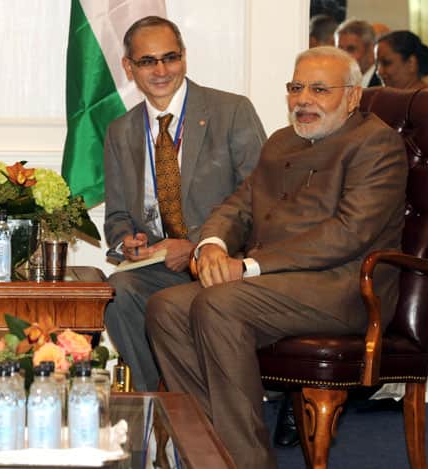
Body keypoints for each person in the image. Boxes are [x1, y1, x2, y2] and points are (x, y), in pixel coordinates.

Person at [145, 46, 408, 468]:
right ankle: (209, 454)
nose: (304, 100)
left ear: (353, 97)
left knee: (220, 304)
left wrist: (247, 266)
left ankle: (247, 462)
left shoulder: (376, 146)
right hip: (273, 284)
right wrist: (211, 245)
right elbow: (239, 206)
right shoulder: (283, 140)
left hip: (342, 288)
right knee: (167, 307)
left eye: (320, 89)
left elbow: (347, 234)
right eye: (296, 87)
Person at [102, 16, 265, 393]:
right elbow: (117, 217)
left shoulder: (231, 111)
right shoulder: (120, 131)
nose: (161, 71)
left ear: (184, 58)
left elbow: (260, 199)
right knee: (118, 291)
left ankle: (193, 409)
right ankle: (156, 403)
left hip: (221, 259)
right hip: (158, 264)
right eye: (147, 61)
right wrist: (127, 240)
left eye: (170, 58)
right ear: (129, 67)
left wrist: (196, 243)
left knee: (173, 305)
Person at [335, 19, 382, 87]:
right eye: (340, 49)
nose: (343, 56)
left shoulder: (383, 83)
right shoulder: (335, 83)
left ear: (371, 50)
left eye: (351, 49)